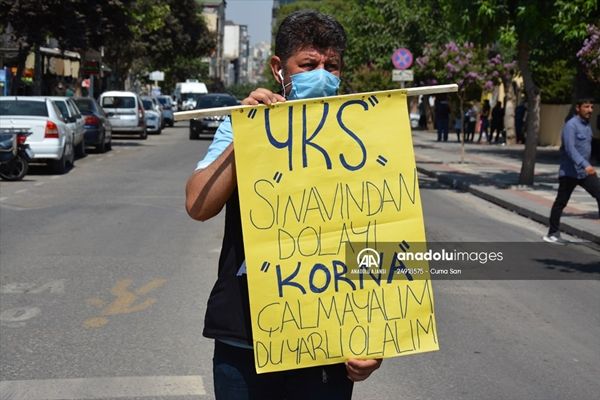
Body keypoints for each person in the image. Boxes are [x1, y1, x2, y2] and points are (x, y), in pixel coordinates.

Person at [185, 10, 382, 399]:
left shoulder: (365, 132)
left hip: (327, 341)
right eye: (308, 64)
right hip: (247, 340)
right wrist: (249, 133)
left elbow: (381, 233)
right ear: (279, 68)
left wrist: (374, 337)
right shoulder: (242, 122)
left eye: (332, 65)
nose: (322, 74)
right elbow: (198, 204)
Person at [543, 98, 600, 243]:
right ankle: (552, 233)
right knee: (561, 202)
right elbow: (570, 149)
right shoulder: (571, 125)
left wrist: (588, 165)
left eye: (592, 107)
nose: (590, 110)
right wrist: (584, 164)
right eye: (586, 107)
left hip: (584, 173)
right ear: (578, 108)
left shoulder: (587, 126)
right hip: (569, 172)